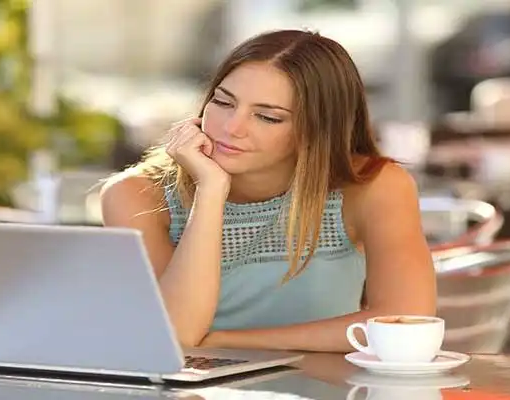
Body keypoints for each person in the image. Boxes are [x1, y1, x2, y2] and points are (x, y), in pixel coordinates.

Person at [99, 29, 436, 353]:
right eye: (223, 102)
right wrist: (211, 191)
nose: (232, 128)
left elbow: (405, 322)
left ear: (317, 131)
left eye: (268, 117)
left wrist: (226, 341)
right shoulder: (136, 194)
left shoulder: (373, 187)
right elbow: (178, 335)